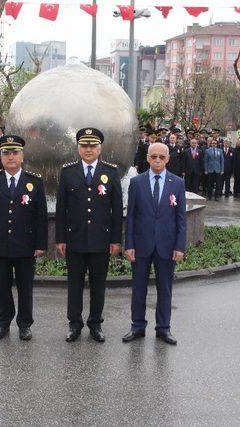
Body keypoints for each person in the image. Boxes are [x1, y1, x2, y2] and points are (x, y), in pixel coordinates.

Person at [55, 128, 123, 343]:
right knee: (74, 285)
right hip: (74, 239)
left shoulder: (111, 173)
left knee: (98, 285)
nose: (89, 149)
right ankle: (74, 324)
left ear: (100, 148)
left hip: (100, 241)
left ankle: (95, 324)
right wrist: (60, 238)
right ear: (78, 148)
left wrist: (115, 240)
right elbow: (61, 208)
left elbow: (116, 209)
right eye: (84, 145)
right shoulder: (68, 172)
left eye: (93, 145)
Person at [0, 135, 48, 341]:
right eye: (6, 153)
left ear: (22, 156)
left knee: (25, 287)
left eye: (15, 153)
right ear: (0, 156)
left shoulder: (34, 182)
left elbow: (41, 217)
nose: (10, 157)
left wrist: (40, 244)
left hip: (25, 245)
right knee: (2, 286)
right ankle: (3, 323)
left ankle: (25, 324)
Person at [123, 142, 186, 346]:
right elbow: (130, 217)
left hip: (167, 246)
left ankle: (163, 328)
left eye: (161, 157)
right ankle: (137, 326)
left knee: (165, 289)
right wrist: (129, 244)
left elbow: (181, 218)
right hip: (141, 244)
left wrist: (179, 246)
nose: (157, 160)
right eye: (153, 157)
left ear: (167, 159)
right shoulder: (137, 183)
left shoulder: (177, 183)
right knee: (139, 288)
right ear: (147, 158)